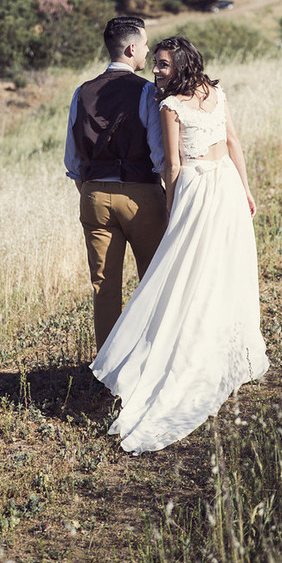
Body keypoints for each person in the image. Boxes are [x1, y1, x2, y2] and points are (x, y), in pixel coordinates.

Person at [90, 36, 269, 454]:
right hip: (222, 183)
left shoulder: (169, 106)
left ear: (183, 64)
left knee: (197, 273)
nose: (156, 70)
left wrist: (173, 208)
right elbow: (231, 145)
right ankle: (215, 348)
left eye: (164, 65)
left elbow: (172, 166)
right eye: (156, 63)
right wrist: (243, 188)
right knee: (212, 270)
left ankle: (202, 352)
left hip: (205, 190)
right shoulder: (214, 93)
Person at [64, 17, 168, 351]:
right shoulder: (147, 90)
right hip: (141, 196)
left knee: (104, 286)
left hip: (93, 195)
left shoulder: (82, 92)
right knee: (153, 279)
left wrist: (92, 190)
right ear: (131, 48)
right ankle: (153, 355)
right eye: (146, 44)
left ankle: (107, 369)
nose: (149, 50)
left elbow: (73, 160)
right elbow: (158, 153)